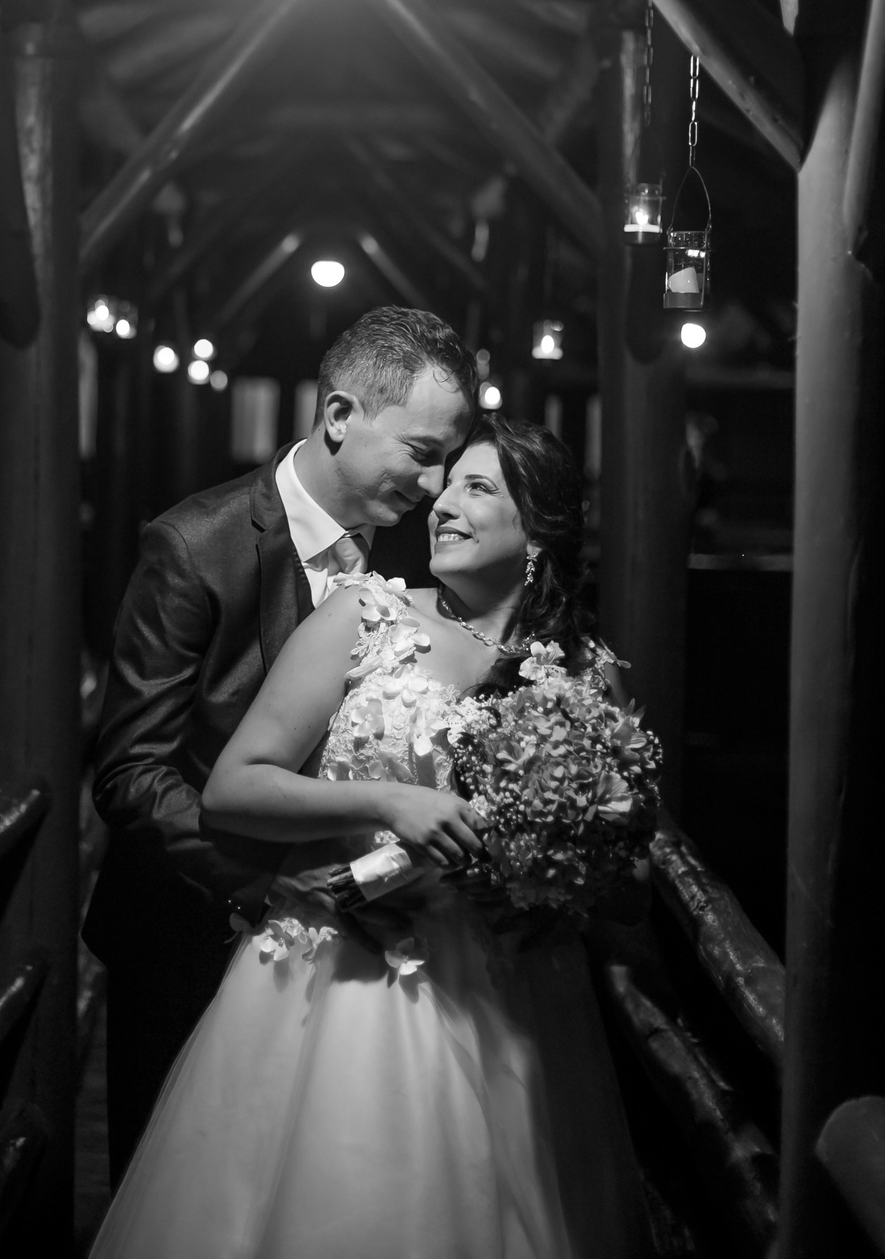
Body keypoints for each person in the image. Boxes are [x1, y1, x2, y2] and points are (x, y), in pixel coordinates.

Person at [89, 414, 654, 1259]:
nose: (441, 504)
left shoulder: (587, 673)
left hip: (518, 997)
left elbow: (628, 877)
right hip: (354, 971)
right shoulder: (367, 614)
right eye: (443, 483)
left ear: (537, 531)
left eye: (475, 488)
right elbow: (235, 787)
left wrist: (545, 881)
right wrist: (390, 804)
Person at [84, 307, 478, 1183]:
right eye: (421, 452)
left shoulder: (424, 552)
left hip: (366, 941)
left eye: (450, 460)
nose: (435, 484)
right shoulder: (194, 546)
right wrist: (272, 881)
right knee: (181, 1191)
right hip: (190, 927)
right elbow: (130, 772)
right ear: (339, 416)